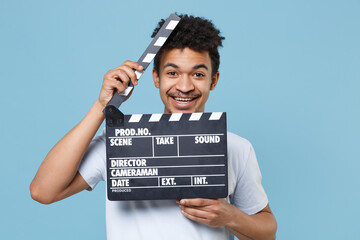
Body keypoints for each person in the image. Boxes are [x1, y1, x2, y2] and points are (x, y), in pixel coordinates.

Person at [30, 14, 277, 240]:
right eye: (172, 73)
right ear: (156, 77)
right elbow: (43, 191)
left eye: (198, 75)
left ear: (214, 80)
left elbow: (267, 231)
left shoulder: (236, 148)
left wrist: (230, 216)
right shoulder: (120, 142)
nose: (184, 86)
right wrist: (101, 106)